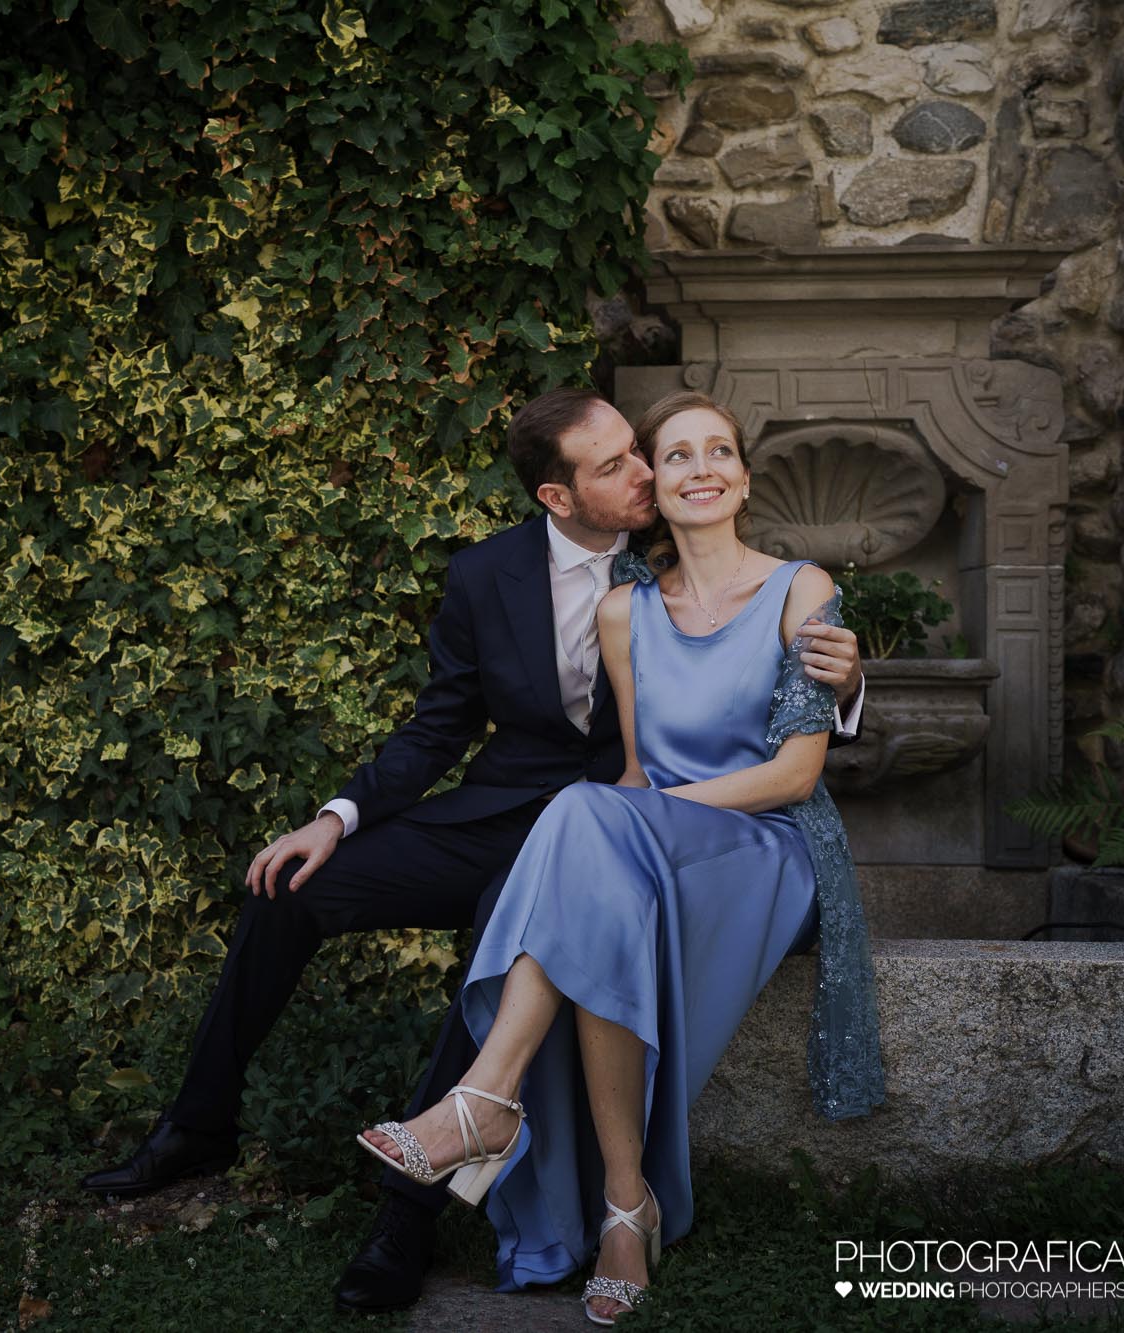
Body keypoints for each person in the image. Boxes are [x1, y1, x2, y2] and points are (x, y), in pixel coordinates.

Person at [78, 388, 866, 1314]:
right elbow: (441, 724)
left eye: (648, 451)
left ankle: (409, 1213)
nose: (650, 472)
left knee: (516, 914)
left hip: (631, 827)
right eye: (625, 462)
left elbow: (776, 709)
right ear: (558, 496)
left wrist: (849, 682)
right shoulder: (501, 577)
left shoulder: (706, 558)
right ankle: (198, 1123)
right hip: (520, 816)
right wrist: (337, 816)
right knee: (293, 887)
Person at [357, 391, 887, 1324]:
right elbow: (638, 771)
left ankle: (486, 1099)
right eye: (675, 454)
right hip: (659, 840)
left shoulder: (801, 590)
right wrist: (628, 820)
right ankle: (623, 1205)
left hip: (770, 849)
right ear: (656, 486)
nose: (700, 468)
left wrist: (632, 818)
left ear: (745, 478)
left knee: (590, 816)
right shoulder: (622, 612)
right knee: (598, 853)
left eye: (719, 450)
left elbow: (796, 776)